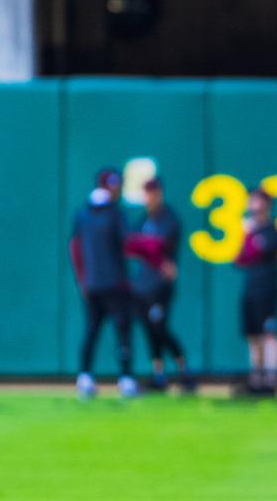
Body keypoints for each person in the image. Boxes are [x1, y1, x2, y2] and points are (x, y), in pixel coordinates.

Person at [69, 167, 137, 399]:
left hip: (92, 285)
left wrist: (82, 280)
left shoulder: (82, 213)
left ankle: (85, 377)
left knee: (92, 330)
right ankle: (126, 379)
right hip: (114, 284)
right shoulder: (115, 214)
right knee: (121, 331)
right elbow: (128, 244)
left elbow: (74, 248)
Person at [128, 176, 195, 393]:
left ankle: (184, 371)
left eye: (153, 193)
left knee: (160, 327)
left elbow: (159, 244)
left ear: (160, 194)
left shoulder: (168, 218)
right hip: (143, 285)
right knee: (149, 329)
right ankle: (159, 374)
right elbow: (131, 243)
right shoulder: (143, 219)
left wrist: (146, 246)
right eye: (146, 193)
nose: (149, 198)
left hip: (160, 285)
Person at [233, 186, 277, 395]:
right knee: (253, 335)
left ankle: (271, 380)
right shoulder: (251, 230)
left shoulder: (271, 230)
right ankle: (257, 378)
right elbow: (239, 260)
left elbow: (257, 251)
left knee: (268, 333)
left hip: (267, 290)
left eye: (256, 200)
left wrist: (249, 235)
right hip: (251, 289)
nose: (252, 204)